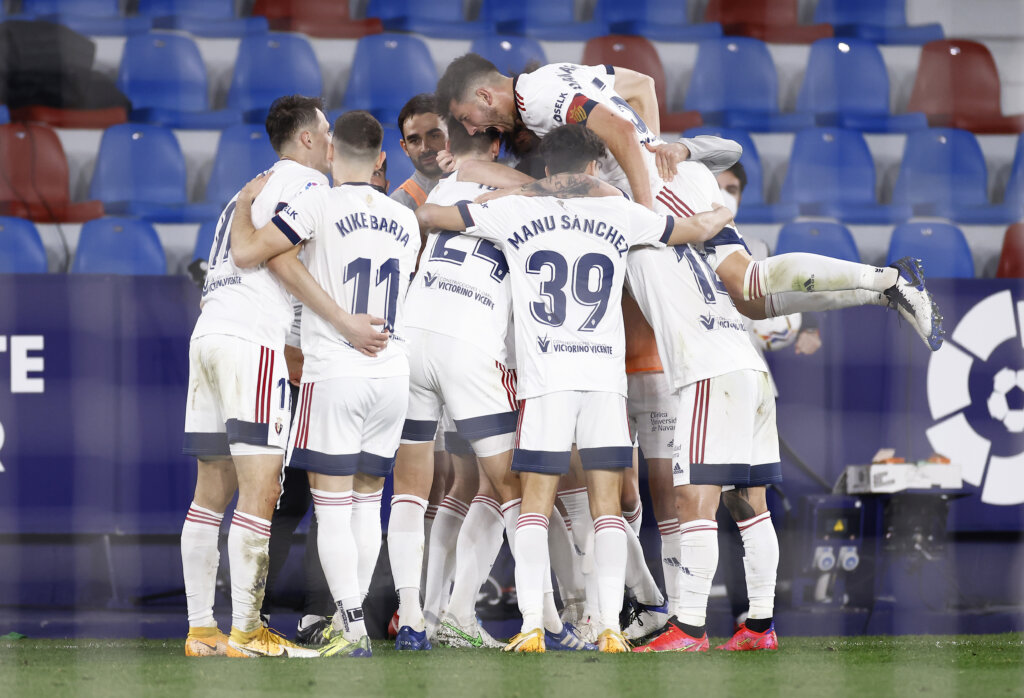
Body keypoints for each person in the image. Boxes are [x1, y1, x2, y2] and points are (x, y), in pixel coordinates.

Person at [416, 124, 735, 653]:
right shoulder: (617, 212)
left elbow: (429, 215)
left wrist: (521, 192)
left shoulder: (516, 210)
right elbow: (699, 227)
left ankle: (531, 628)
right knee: (607, 508)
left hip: (545, 385)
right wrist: (725, 209)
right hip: (603, 384)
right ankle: (609, 625)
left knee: (535, 509)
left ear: (543, 169)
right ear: (592, 168)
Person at [435, 54, 944, 351]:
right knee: (750, 295)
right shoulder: (560, 72)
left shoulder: (536, 97)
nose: (476, 129)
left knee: (746, 285)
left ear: (483, 95)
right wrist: (655, 146)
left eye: (469, 118)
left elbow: (614, 127)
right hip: (667, 179)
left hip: (660, 192)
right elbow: (642, 86)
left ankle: (891, 281)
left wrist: (645, 204)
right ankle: (886, 286)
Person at [180, 95, 373, 659]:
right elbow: (268, 258)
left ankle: (200, 631)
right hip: (251, 342)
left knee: (208, 495)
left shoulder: (250, 189)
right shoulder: (310, 188)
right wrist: (341, 321)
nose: (334, 142)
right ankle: (245, 631)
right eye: (327, 131)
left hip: (209, 334)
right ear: (309, 139)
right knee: (263, 489)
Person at [233, 110, 420, 658]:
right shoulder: (404, 219)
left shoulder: (317, 201)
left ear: (331, 151)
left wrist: (339, 320)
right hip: (391, 369)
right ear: (383, 158)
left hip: (335, 368)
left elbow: (262, 256)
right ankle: (354, 616)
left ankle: (354, 627)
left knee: (332, 505)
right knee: (369, 502)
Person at [390, 93, 448, 210]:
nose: (425, 148)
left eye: (434, 136)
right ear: (405, 147)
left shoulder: (479, 182)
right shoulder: (398, 205)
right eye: (414, 141)